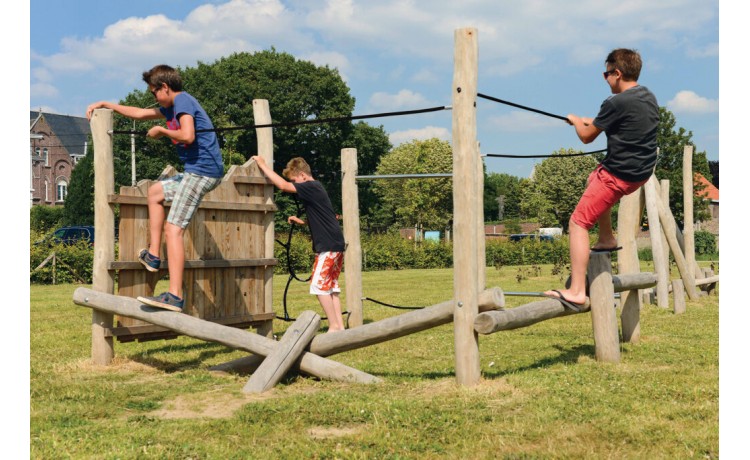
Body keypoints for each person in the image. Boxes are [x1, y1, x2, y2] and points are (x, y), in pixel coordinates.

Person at [86, 64, 223, 312]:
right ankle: (153, 255)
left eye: (154, 92)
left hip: (202, 171)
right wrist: (107, 104)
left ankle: (175, 295)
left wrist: (161, 131)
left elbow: (188, 135)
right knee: (155, 192)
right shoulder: (172, 107)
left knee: (174, 230)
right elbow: (140, 114)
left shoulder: (182, 101)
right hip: (196, 171)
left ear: (165, 87)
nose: (153, 97)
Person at [544, 49, 659, 310]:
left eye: (606, 74)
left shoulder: (614, 102)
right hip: (640, 172)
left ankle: (576, 290)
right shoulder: (647, 96)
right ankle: (606, 237)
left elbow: (586, 137)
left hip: (618, 174)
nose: (605, 79)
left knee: (578, 222)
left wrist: (576, 122)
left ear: (617, 73)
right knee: (591, 179)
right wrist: (587, 121)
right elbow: (609, 122)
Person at [252, 155, 347, 332]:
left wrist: (263, 165)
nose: (295, 184)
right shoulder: (317, 187)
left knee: (318, 285)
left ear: (303, 175)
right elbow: (324, 217)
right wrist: (302, 222)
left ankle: (334, 326)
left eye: (295, 180)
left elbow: (283, 186)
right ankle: (340, 327)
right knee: (330, 286)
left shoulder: (310, 186)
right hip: (335, 243)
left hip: (328, 245)